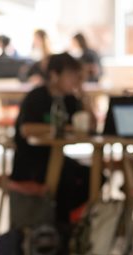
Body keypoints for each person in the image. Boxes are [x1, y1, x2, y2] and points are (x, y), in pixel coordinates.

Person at [11, 52, 90, 226]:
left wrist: (82, 92)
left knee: (94, 176)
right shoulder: (37, 96)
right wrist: (62, 127)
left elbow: (88, 126)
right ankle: (61, 227)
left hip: (57, 157)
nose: (74, 80)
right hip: (31, 162)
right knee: (66, 178)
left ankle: (69, 223)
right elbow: (26, 128)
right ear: (54, 75)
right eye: (71, 75)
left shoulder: (70, 99)